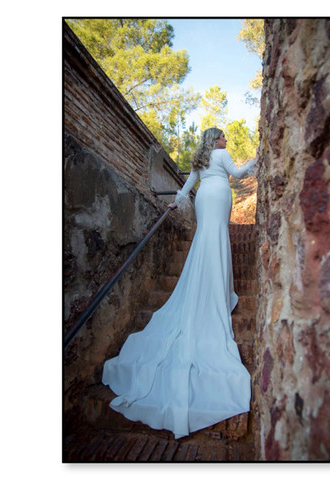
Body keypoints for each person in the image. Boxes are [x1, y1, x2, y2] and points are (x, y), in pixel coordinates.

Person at [102, 127, 258, 439]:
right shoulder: (222, 154)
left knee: (205, 238)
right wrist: (257, 159)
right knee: (218, 239)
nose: (226, 140)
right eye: (223, 137)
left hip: (204, 200)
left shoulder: (200, 159)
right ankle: (216, 292)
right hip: (220, 197)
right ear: (216, 140)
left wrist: (176, 203)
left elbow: (186, 187)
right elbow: (239, 174)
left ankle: (206, 289)